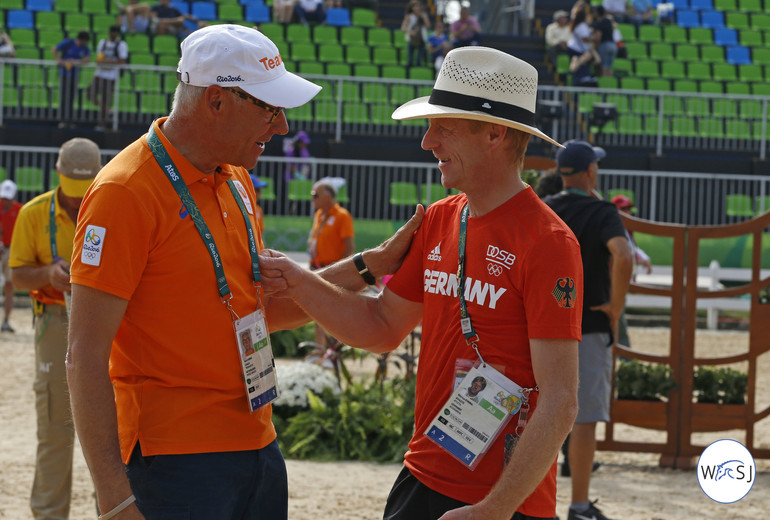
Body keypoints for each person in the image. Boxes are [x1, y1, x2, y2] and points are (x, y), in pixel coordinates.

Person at [65, 24, 422, 520]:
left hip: (258, 444)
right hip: (174, 459)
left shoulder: (235, 179)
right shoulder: (125, 192)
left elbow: (261, 310)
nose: (280, 126)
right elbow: (84, 354)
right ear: (215, 101)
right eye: (269, 108)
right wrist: (113, 497)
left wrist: (370, 265)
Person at [260, 46, 582, 520]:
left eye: (442, 127)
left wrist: (494, 508)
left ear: (494, 133)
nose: (427, 141)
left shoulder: (550, 241)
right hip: (422, 474)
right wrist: (300, 281)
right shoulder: (437, 219)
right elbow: (382, 326)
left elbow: (561, 400)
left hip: (504, 501)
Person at [8, 137, 101, 519]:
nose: (79, 201)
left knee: (112, 434)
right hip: (54, 320)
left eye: (86, 190)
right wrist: (47, 274)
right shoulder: (32, 214)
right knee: (55, 429)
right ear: (58, 175)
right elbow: (16, 277)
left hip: (106, 322)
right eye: (72, 190)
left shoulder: (114, 208)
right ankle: (48, 514)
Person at [543, 140, 634, 520]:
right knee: (583, 420)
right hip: (590, 323)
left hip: (545, 326)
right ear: (591, 172)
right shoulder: (601, 212)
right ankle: (579, 505)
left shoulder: (545, 208)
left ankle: (531, 500)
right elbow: (623, 254)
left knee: (538, 415)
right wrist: (616, 305)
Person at [307, 180, 355, 345]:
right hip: (317, 267)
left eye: (315, 195)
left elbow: (349, 247)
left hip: (333, 269)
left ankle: (334, 349)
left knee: (332, 311)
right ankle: (320, 348)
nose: (312, 198)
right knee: (317, 310)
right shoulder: (319, 214)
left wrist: (342, 271)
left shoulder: (342, 215)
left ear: (328, 197)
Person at [611, 194, 652, 349]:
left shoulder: (624, 229)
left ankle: (622, 353)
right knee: (618, 318)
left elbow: (630, 249)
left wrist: (643, 258)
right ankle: (625, 353)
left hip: (619, 279)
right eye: (624, 209)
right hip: (615, 280)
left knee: (618, 317)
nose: (628, 212)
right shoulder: (615, 228)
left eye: (628, 209)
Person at [87, 25, 129, 132]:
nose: (113, 34)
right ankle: (108, 110)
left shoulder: (121, 45)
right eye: (112, 32)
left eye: (115, 32)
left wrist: (107, 62)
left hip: (111, 76)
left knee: (106, 98)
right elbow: (98, 58)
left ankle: (102, 123)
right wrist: (106, 61)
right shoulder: (103, 43)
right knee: (90, 94)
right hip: (99, 74)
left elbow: (122, 60)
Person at [52, 31, 91, 129]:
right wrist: (59, 60)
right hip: (65, 74)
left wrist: (77, 62)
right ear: (82, 40)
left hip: (74, 75)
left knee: (71, 97)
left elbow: (88, 58)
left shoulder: (84, 47)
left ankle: (69, 120)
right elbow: (54, 49)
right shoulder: (68, 43)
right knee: (64, 97)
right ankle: (62, 120)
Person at [0, 179, 22, 332]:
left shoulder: (20, 210)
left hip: (10, 250)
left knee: (9, 285)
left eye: (8, 197)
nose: (4, 200)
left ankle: (6, 321)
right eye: (3, 197)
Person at [401, 0, 431, 68]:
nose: (418, 8)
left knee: (419, 61)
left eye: (419, 6)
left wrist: (425, 18)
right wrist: (410, 32)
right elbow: (403, 27)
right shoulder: (409, 16)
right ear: (412, 8)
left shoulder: (423, 15)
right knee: (410, 61)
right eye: (416, 6)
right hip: (412, 40)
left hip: (421, 40)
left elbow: (428, 26)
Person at [592, 6, 616, 77]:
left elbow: (598, 35)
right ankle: (611, 83)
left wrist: (596, 45)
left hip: (605, 46)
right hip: (613, 46)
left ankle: (605, 84)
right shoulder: (608, 21)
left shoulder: (600, 23)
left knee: (604, 67)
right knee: (609, 67)